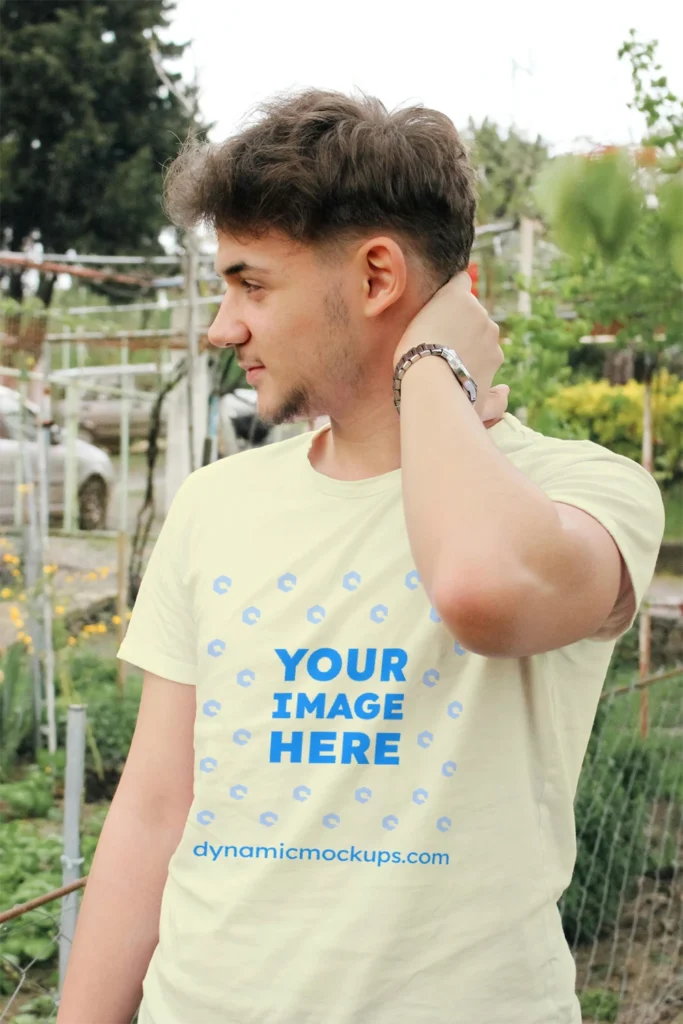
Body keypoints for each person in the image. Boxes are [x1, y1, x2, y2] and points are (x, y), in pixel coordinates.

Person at [57, 89, 665, 1024]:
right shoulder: (218, 503)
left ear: (377, 277)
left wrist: (428, 371)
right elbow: (151, 809)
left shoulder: (585, 490)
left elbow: (476, 586)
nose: (224, 328)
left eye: (252, 284)